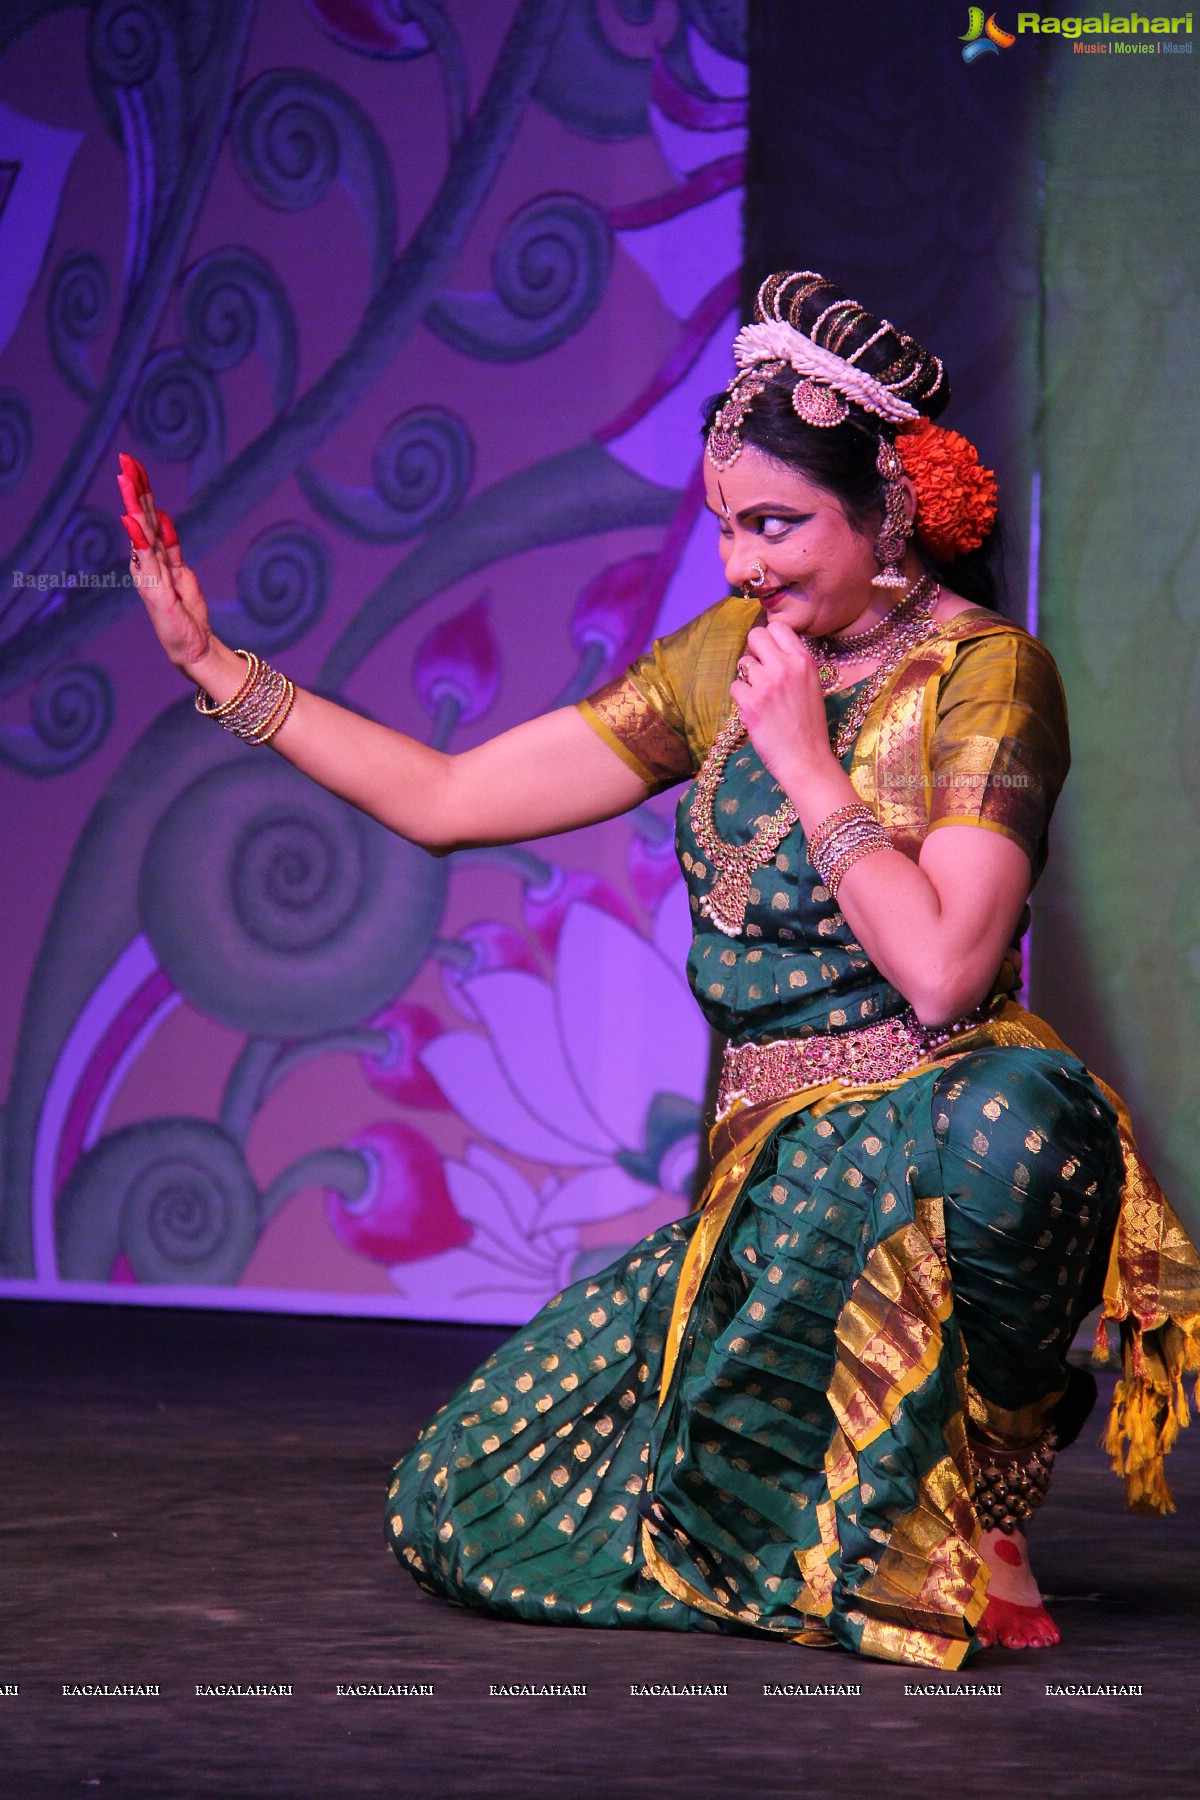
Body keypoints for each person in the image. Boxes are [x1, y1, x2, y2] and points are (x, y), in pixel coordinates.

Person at [120, 270, 1200, 1670]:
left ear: (893, 508)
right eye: (728, 528)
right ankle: (839, 1543)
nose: (744, 566)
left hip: (925, 1141)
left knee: (1026, 1126)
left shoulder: (988, 676)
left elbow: (944, 972)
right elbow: (452, 799)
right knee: (464, 1501)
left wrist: (811, 769)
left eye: (777, 525)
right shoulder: (729, 660)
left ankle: (977, 1519)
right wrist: (219, 669)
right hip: (759, 1189)